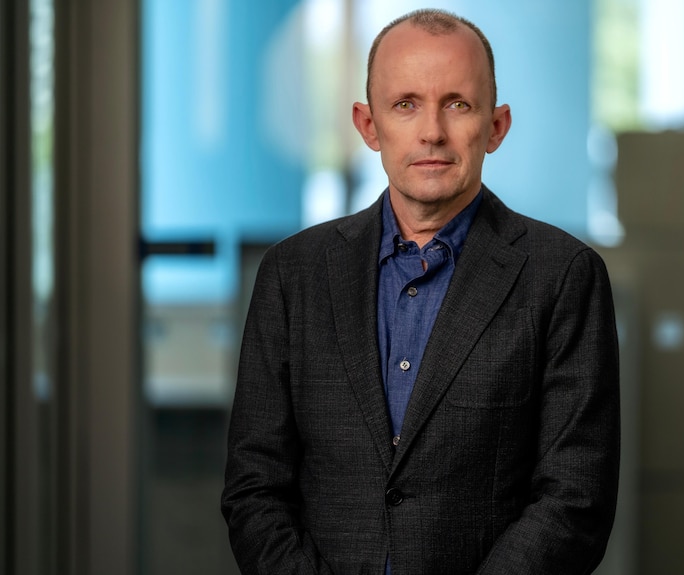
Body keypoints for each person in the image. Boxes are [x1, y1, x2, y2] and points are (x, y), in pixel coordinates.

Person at [221, 8, 620, 575]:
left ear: (497, 126)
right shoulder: (293, 275)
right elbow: (254, 489)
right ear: (368, 125)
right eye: (405, 104)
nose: (432, 131)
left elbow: (574, 500)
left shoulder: (562, 277)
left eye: (457, 104)